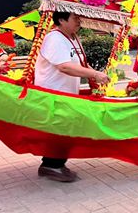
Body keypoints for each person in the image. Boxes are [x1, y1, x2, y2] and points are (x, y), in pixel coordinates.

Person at [34, 12, 110, 182]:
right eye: (75, 18)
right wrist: (94, 74)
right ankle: (51, 166)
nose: (79, 21)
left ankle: (55, 164)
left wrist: (96, 74)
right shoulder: (55, 38)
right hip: (53, 94)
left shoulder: (73, 38)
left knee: (65, 130)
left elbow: (82, 64)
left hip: (66, 94)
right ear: (61, 20)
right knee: (59, 131)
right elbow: (64, 67)